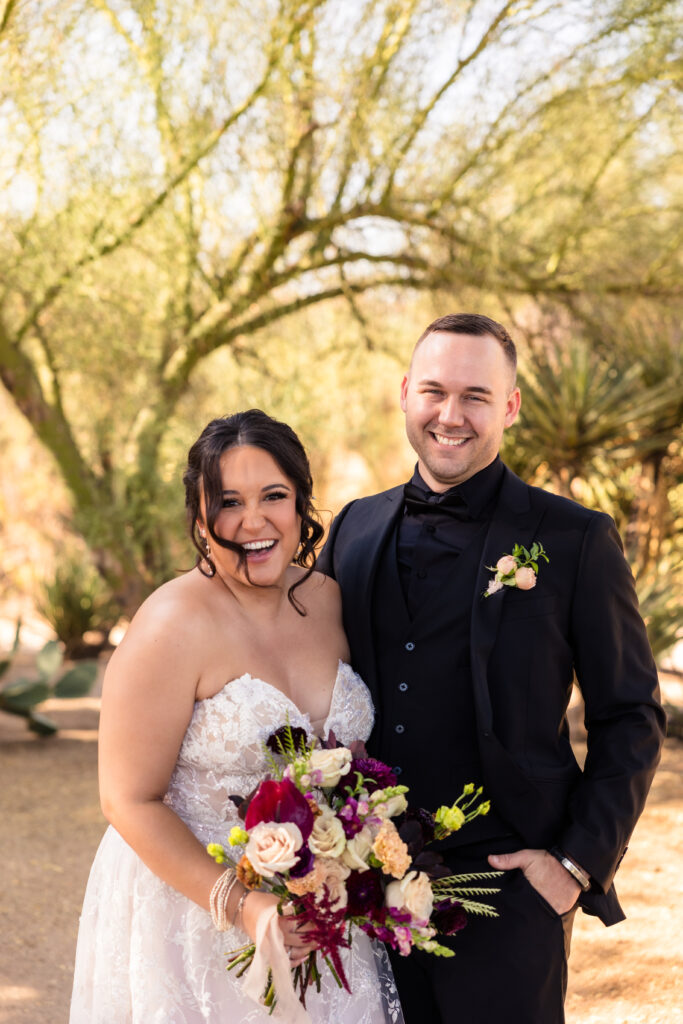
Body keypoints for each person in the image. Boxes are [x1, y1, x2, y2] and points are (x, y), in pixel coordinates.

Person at [317, 313, 666, 1024]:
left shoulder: (574, 539)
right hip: (362, 883)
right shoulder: (351, 527)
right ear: (404, 393)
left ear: (509, 406)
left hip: (510, 888)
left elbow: (629, 714)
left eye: (475, 395)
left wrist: (571, 867)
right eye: (433, 391)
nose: (450, 415)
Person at [70, 410, 403, 1024]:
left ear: (301, 504)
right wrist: (246, 906)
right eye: (229, 502)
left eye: (274, 496)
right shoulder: (171, 623)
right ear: (201, 520)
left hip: (321, 920)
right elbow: (127, 801)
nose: (254, 521)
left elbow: (345, 762)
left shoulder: (328, 601)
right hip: (195, 920)